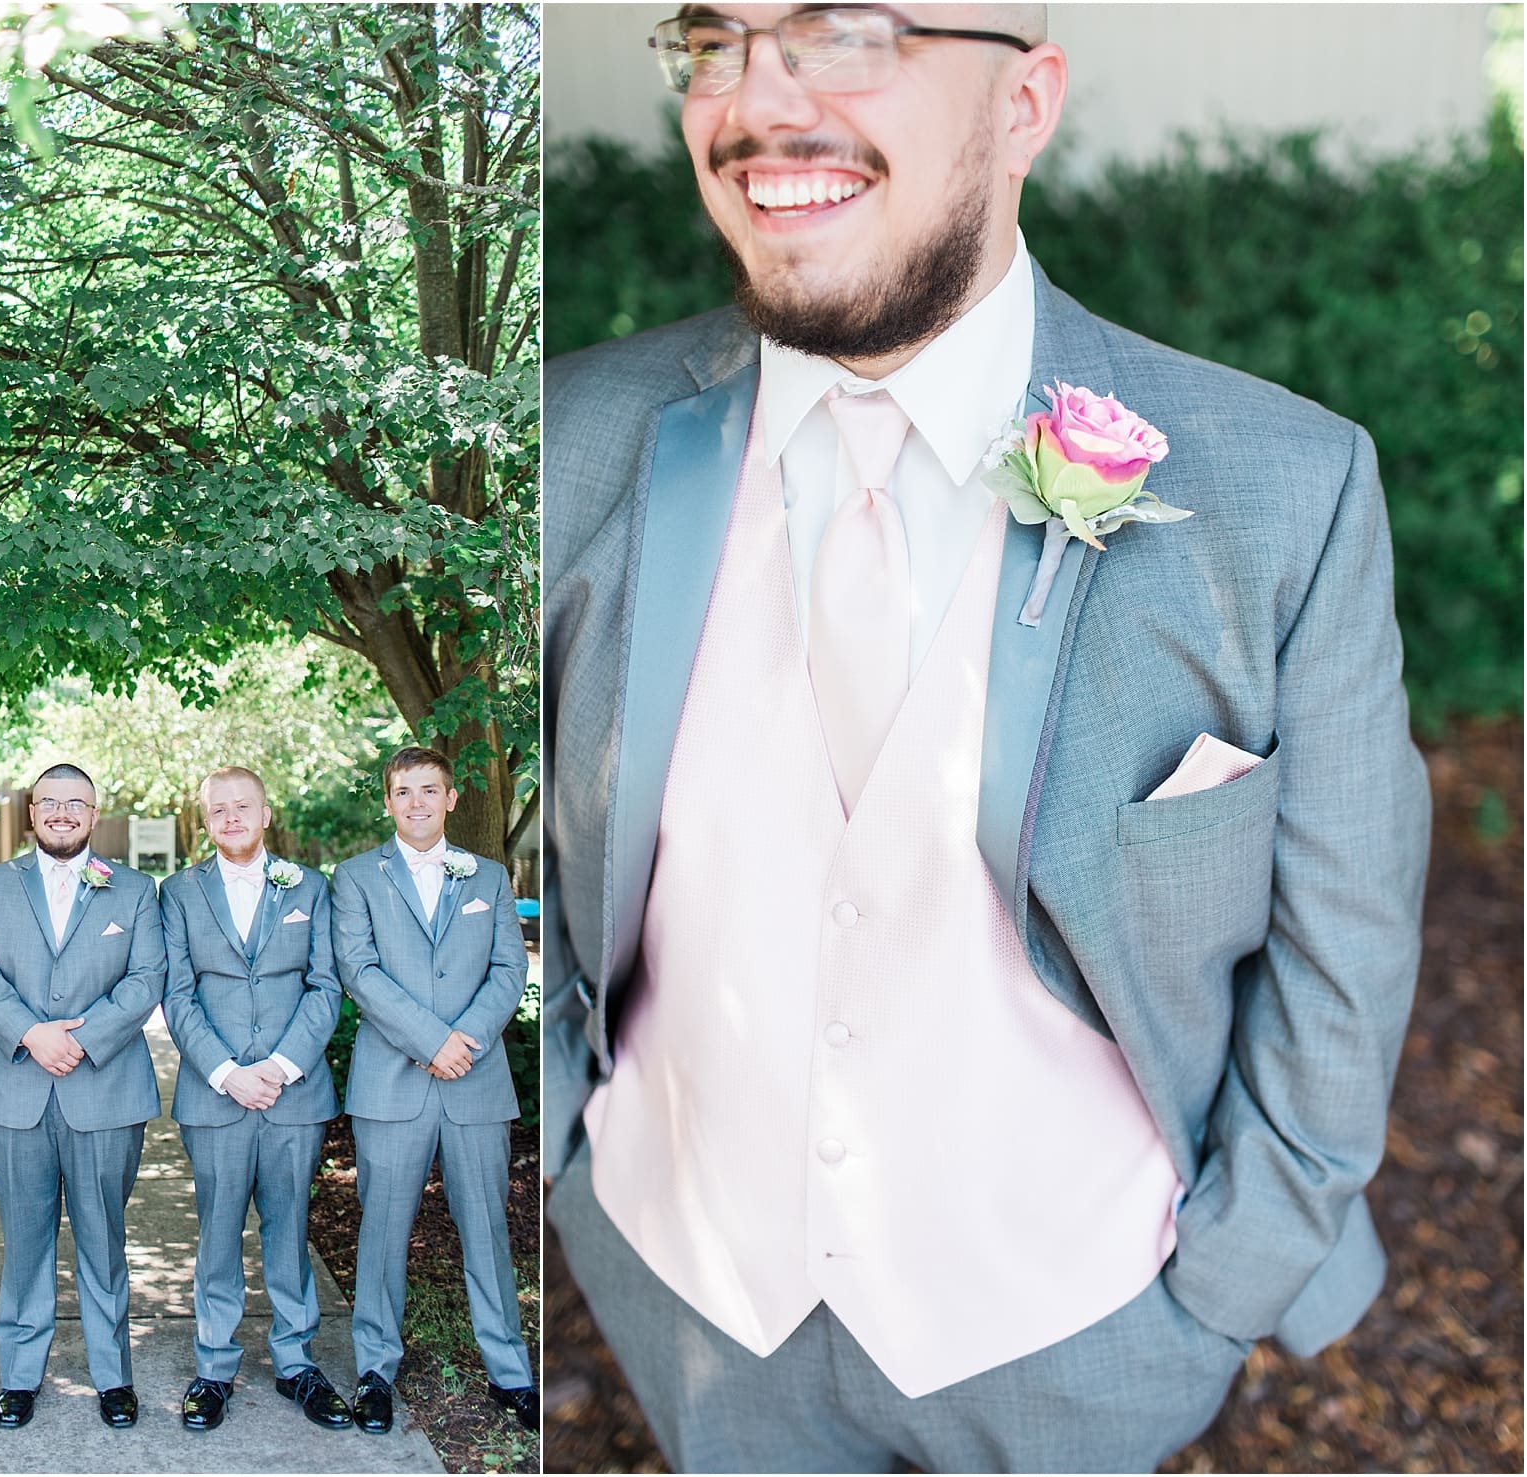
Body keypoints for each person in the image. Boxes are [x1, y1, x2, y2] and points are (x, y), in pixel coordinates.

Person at [541, 5, 1431, 1471]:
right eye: (710, 38)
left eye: (839, 33)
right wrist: (576, 1168)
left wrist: (1222, 1283)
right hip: (688, 1297)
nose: (752, 100)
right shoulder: (564, 444)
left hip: (1090, 1328)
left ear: (1022, 105)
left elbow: (1344, 944)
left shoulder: (1283, 490)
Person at [330, 746, 539, 1433]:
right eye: (402, 791)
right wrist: (431, 1040)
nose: (416, 802)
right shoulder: (357, 876)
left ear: (451, 798)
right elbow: (359, 970)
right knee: (382, 1231)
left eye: (429, 789)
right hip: (392, 1084)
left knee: (486, 1230)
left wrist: (464, 1041)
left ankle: (509, 1372)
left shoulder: (489, 876)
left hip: (474, 1080)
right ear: (386, 801)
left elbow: (509, 968)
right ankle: (374, 1371)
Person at [0, 762, 164, 1430]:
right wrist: (30, 1033)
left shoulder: (133, 889)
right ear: (31, 812)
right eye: (50, 801)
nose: (62, 812)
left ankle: (112, 1375)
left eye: (76, 802)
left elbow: (145, 976)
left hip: (103, 1086)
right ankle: (20, 1373)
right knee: (23, 1237)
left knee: (103, 1236)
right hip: (14, 1087)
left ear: (94, 812)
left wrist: (82, 1038)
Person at [159, 766, 348, 1433]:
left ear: (266, 813)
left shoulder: (311, 887)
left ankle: (296, 1361)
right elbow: (175, 993)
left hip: (294, 1093)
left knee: (289, 1227)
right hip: (215, 1095)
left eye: (243, 806)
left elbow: (326, 985)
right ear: (204, 820)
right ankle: (213, 1366)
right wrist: (226, 1072)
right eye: (219, 809)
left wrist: (279, 1065)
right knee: (216, 1232)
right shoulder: (178, 892)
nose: (231, 817)